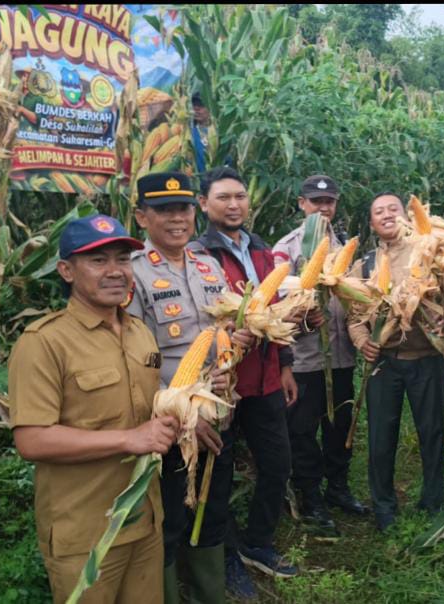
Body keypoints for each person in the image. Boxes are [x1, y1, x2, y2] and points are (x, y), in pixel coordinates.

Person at [7, 214, 175, 602]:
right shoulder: (44, 343)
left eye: (122, 259)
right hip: (85, 531)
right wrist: (129, 439)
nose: (115, 271)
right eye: (98, 261)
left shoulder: (140, 333)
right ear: (66, 270)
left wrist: (185, 413)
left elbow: (147, 412)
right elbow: (32, 440)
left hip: (146, 522)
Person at [128, 171, 252, 603]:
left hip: (219, 409)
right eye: (164, 210)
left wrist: (234, 346)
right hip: (172, 422)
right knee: (170, 519)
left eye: (182, 208)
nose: (177, 218)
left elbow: (222, 332)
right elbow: (137, 358)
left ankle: (208, 594)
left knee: (212, 508)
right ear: (142, 217)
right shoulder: (134, 274)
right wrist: (184, 414)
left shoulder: (208, 265)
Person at [191, 166, 299, 592]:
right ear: (204, 204)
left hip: (266, 380)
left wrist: (286, 364)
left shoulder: (263, 250)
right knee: (216, 475)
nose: (234, 204)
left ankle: (258, 542)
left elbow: (277, 314)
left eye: (239, 196)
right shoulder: (198, 255)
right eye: (223, 198)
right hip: (222, 383)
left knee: (277, 465)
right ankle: (225, 554)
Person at [273, 175, 369, 537]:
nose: (323, 208)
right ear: (302, 205)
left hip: (342, 355)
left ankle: (338, 487)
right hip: (306, 358)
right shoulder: (287, 248)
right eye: (315, 202)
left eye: (329, 201)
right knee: (303, 429)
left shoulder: (343, 245)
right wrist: (304, 312)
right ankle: (310, 494)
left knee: (338, 426)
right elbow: (276, 302)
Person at [348, 192, 444, 532]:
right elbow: (354, 316)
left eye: (393, 208)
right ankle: (384, 506)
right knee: (380, 436)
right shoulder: (364, 264)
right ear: (372, 222)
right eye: (379, 212)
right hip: (384, 362)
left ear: (405, 214)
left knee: (432, 432)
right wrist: (364, 343)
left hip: (427, 359)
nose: (387, 215)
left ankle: (433, 501)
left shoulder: (428, 250)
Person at [190, 93, 211, 175]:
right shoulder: (189, 132)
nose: (196, 108)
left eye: (201, 105)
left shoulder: (219, 133)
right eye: (194, 105)